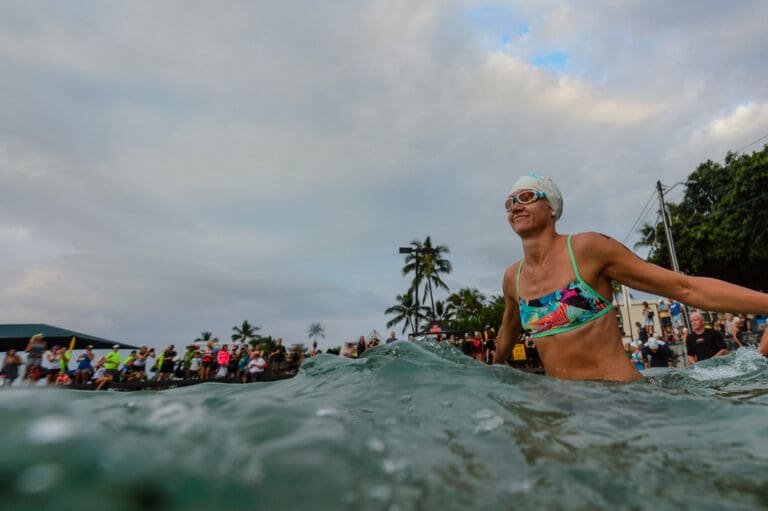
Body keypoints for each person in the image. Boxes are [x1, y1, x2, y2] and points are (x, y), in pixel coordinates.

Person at [493, 173, 768, 381]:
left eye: (526, 197)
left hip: (620, 400)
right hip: (566, 408)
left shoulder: (587, 249)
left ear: (551, 207)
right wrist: (494, 369)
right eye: (509, 203)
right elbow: (509, 330)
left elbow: (684, 288)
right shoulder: (513, 278)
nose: (515, 206)